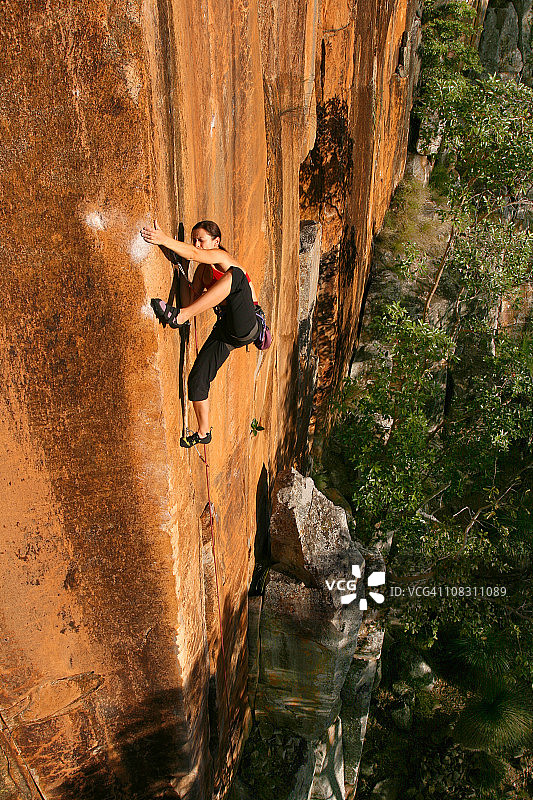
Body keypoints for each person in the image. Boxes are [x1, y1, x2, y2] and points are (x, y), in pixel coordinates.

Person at [140, 219, 260, 447]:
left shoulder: (223, 259)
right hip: (227, 330)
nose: (197, 244)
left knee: (237, 277)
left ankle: (179, 317)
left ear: (216, 241)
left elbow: (196, 254)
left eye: (201, 240)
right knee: (197, 379)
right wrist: (182, 268)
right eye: (194, 240)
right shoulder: (204, 272)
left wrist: (164, 240)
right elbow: (189, 300)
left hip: (248, 324)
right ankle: (204, 433)